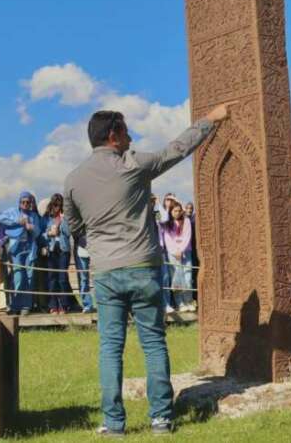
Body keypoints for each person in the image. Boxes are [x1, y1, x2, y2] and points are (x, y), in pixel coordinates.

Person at [64, 103, 231, 436]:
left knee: (110, 347)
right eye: (126, 131)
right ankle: (161, 418)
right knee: (153, 343)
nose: (131, 137)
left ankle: (114, 423)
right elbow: (176, 150)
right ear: (113, 136)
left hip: (106, 272)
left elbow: (74, 225)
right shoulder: (134, 165)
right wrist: (209, 120)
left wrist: (99, 245)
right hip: (143, 266)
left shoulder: (73, 179)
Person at [0, 192, 44, 316]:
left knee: (29, 277)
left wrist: (31, 228)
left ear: (31, 203)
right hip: (16, 249)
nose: (25, 204)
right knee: (18, 276)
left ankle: (26, 306)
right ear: (19, 202)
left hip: (30, 248)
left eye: (28, 202)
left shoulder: (34, 215)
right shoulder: (12, 212)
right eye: (23, 202)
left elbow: (38, 232)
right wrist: (17, 221)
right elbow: (0, 217)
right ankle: (15, 305)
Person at [159, 203, 193, 314]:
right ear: (171, 212)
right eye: (175, 211)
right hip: (172, 253)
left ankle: (188, 301)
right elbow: (167, 239)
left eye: (179, 211)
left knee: (187, 275)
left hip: (185, 251)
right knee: (176, 277)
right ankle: (180, 303)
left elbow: (187, 235)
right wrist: (175, 251)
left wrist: (181, 249)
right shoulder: (167, 223)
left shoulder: (186, 221)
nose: (177, 213)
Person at [42, 194, 72, 315]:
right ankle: (53, 305)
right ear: (51, 205)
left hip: (64, 249)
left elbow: (69, 233)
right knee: (51, 278)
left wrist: (63, 222)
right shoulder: (46, 218)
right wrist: (49, 234)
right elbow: (40, 234)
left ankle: (64, 305)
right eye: (55, 205)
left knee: (62, 279)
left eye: (59, 205)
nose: (57, 208)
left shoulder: (66, 217)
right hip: (51, 249)